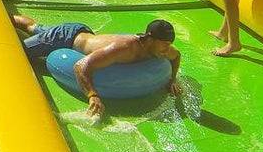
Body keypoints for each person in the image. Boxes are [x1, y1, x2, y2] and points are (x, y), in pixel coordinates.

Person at [11, 15, 182, 120]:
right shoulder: (124, 48)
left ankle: (31, 25)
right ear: (150, 40)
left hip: (84, 34)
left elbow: (176, 56)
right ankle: (9, 17)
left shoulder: (160, 50)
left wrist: (172, 79)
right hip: (66, 37)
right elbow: (80, 65)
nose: (167, 49)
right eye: (164, 44)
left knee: (36, 29)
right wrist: (92, 95)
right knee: (17, 51)